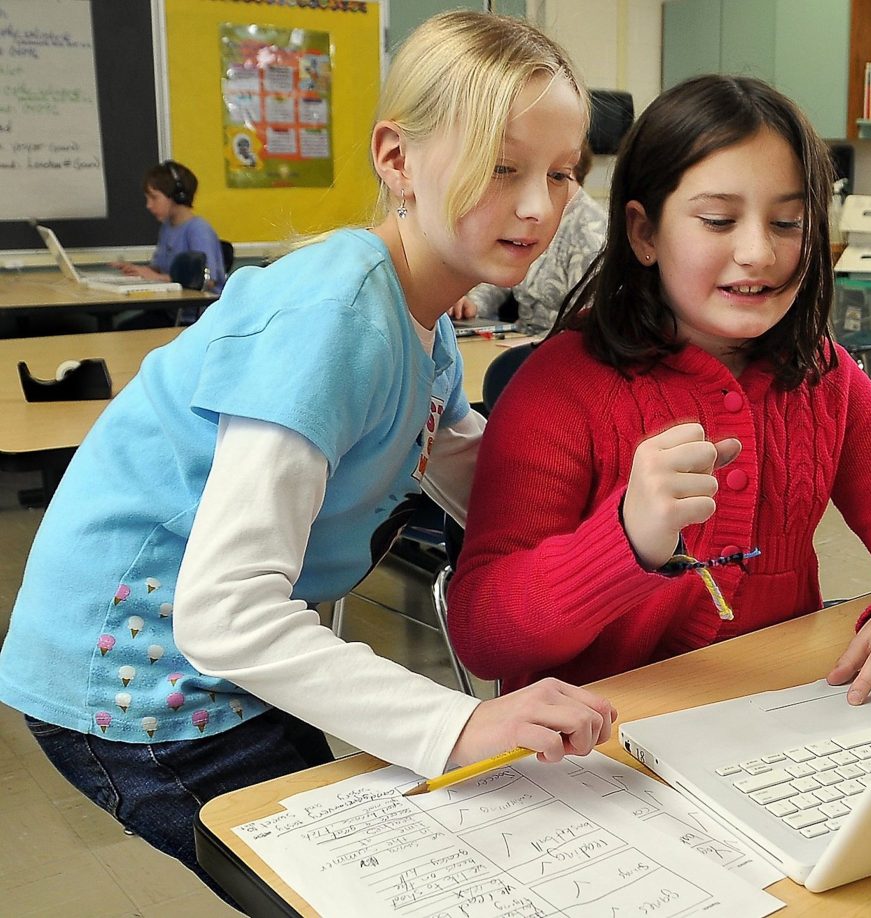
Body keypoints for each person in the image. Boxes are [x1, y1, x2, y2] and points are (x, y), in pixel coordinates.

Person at [0, 12, 615, 899]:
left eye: (562, 175)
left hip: (216, 658)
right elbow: (226, 616)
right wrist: (458, 724)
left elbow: (467, 464)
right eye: (502, 165)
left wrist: (620, 535)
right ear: (396, 158)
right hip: (138, 680)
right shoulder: (334, 316)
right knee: (356, 887)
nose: (538, 206)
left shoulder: (422, 313)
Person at [446, 74, 871, 713]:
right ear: (644, 234)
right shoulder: (559, 388)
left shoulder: (822, 374)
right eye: (718, 220)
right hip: (598, 757)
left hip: (768, 727)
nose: (759, 251)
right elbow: (484, 634)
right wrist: (624, 538)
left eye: (788, 222)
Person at [451, 141, 608, 336]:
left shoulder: (593, 234)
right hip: (519, 340)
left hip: (556, 350)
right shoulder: (531, 214)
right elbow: (505, 271)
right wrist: (473, 303)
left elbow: (587, 329)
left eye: (557, 175)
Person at [113, 160, 230, 294]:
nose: (148, 205)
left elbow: (207, 281)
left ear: (177, 196)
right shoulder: (167, 228)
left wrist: (157, 278)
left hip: (197, 312)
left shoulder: (198, 230)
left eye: (154, 198)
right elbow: (160, 268)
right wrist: (137, 270)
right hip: (171, 307)